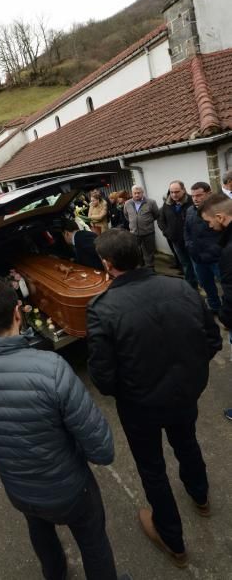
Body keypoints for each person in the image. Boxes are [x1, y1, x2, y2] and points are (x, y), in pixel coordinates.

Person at [0, 280, 128, 580]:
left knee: (40, 531)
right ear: (18, 312)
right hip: (70, 488)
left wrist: (9, 449)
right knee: (93, 543)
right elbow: (102, 448)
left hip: (20, 489)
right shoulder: (52, 368)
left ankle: (55, 574)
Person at [86, 229, 222, 567]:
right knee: (187, 442)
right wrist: (189, 372)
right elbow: (212, 339)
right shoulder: (180, 286)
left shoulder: (102, 308)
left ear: (107, 264)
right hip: (183, 394)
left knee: (152, 468)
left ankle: (173, 539)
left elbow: (103, 378)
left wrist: (132, 389)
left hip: (141, 406)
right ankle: (199, 494)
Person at [199, 192, 232, 420]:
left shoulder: (229, 252)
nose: (209, 227)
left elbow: (231, 293)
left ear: (220, 217)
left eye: (209, 222)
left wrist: (225, 319)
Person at [184, 182, 222, 313]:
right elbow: (187, 231)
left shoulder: (219, 210)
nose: (195, 198)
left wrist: (216, 251)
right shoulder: (189, 211)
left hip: (217, 259)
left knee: (226, 286)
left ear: (209, 193)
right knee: (206, 284)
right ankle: (214, 306)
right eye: (193, 195)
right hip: (198, 259)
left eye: (199, 195)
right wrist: (189, 246)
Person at [158, 180, 197, 288]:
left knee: (197, 266)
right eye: (171, 192)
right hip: (177, 242)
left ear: (183, 190)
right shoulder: (167, 204)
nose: (174, 195)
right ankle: (192, 288)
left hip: (193, 242)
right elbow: (161, 220)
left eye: (177, 191)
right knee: (186, 266)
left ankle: (205, 287)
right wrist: (167, 233)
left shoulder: (192, 202)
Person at [123, 185, 159, 268]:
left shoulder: (151, 202)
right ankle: (140, 269)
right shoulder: (127, 203)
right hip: (134, 233)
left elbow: (156, 215)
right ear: (132, 193)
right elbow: (126, 215)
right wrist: (135, 222)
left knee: (149, 253)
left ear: (142, 193)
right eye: (134, 193)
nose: (136, 195)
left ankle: (150, 269)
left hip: (148, 233)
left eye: (138, 193)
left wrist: (145, 222)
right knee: (136, 252)